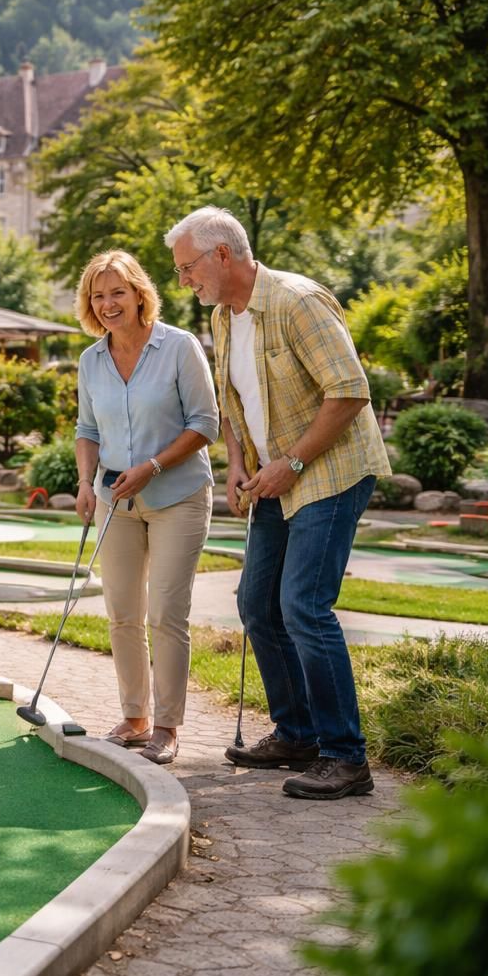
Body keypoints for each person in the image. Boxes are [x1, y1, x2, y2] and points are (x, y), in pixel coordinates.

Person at [166, 206, 391, 799]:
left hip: (329, 472)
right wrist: (238, 462)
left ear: (222, 255)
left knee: (304, 607)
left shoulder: (297, 302)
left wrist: (290, 463)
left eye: (187, 268)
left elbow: (350, 392)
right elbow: (232, 400)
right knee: (257, 605)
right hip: (271, 476)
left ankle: (346, 757)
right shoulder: (222, 316)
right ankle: (297, 734)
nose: (183, 281)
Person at [72, 251, 220, 766]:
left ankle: (167, 726)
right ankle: (134, 717)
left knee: (165, 614)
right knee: (122, 614)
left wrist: (152, 467)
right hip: (115, 499)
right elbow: (87, 429)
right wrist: (85, 482)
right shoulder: (91, 361)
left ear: (139, 294)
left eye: (117, 292)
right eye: (98, 295)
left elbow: (205, 423)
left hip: (177, 496)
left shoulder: (178, 346)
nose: (108, 304)